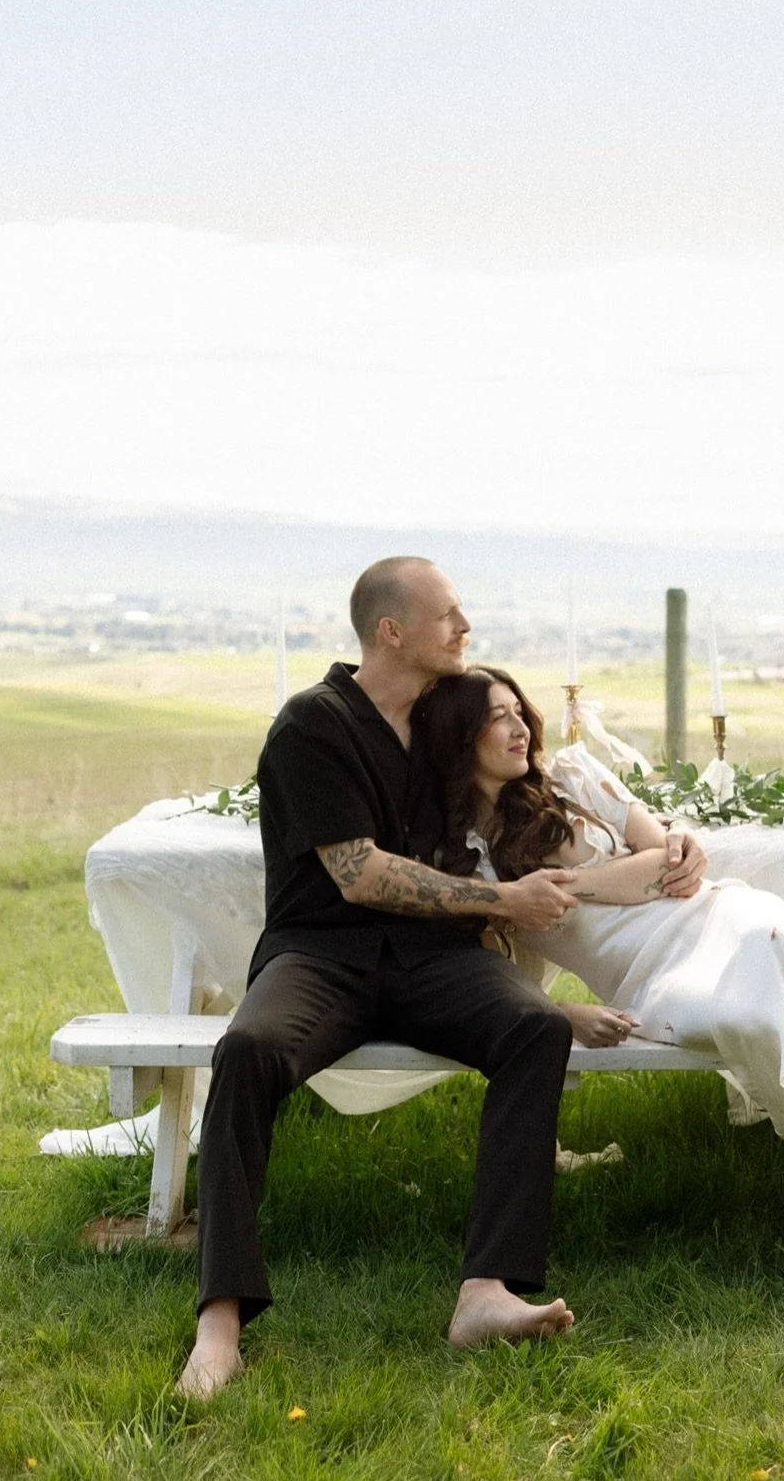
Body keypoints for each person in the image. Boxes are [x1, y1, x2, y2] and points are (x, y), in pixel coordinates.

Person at [180, 559, 707, 1398]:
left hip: (436, 958)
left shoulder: (438, 724)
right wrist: (502, 900)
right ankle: (220, 1323)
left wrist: (668, 836)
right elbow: (358, 874)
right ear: (391, 631)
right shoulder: (313, 725)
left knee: (533, 1029)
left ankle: (486, 1291)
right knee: (246, 1049)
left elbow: (536, 795)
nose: (465, 628)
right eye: (449, 616)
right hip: (321, 955)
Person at [420, 667, 784, 1289]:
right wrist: (566, 1013)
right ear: (461, 740)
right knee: (760, 1016)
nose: (518, 727)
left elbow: (664, 862)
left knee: (770, 940)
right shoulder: (468, 863)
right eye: (497, 718)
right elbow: (491, 979)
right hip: (653, 982)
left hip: (717, 915)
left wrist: (562, 887)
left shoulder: (570, 775)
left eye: (519, 711)